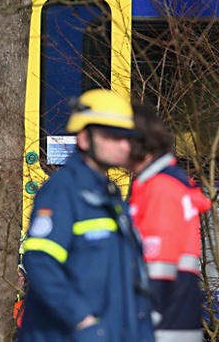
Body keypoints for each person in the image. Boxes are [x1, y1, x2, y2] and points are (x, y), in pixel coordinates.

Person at [19, 89, 154, 342]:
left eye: (127, 138)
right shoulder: (62, 190)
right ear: (84, 138)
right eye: (112, 136)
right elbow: (41, 261)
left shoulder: (110, 199)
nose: (123, 145)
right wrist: (82, 320)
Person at [128, 103, 211, 342]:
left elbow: (157, 268)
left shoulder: (159, 189)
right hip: (173, 322)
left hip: (159, 326)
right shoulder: (163, 183)